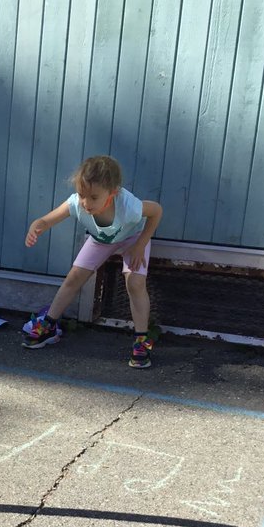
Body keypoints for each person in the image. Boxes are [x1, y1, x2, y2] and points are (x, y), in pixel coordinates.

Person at [22, 155, 164, 368]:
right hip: (102, 239)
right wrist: (36, 226)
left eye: (94, 197)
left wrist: (141, 244)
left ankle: (141, 341)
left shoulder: (129, 207)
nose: (86, 203)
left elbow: (156, 212)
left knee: (134, 283)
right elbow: (47, 220)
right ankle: (48, 326)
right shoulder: (77, 203)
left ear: (113, 193)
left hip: (133, 238)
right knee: (74, 277)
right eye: (82, 195)